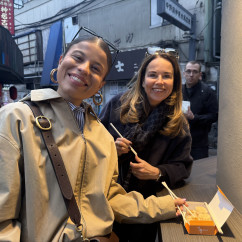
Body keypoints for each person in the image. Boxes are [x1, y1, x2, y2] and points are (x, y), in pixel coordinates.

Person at [0, 34, 188, 241]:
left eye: (96, 68)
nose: (84, 69)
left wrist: (165, 205)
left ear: (101, 84)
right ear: (61, 61)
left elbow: (109, 199)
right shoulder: (17, 118)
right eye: (78, 58)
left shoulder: (101, 135)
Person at [99, 50, 193, 241]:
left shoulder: (178, 122)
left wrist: (157, 172)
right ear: (142, 79)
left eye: (167, 76)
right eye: (152, 75)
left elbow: (183, 166)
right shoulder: (118, 105)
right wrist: (111, 148)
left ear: (174, 82)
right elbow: (91, 147)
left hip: (149, 205)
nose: (159, 81)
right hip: (108, 199)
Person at [182, 61, 218, 160]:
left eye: (195, 72)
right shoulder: (179, 91)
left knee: (199, 171)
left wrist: (195, 118)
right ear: (184, 73)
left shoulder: (207, 92)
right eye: (188, 71)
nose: (191, 75)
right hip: (179, 142)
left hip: (199, 144)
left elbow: (214, 115)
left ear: (200, 75)